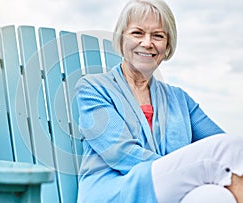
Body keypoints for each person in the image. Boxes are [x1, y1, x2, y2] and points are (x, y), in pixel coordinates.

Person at [75, 0, 243, 202]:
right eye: (137, 33)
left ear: (167, 46)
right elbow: (121, 154)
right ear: (121, 40)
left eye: (158, 36)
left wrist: (181, 174)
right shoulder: (93, 89)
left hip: (170, 191)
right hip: (117, 191)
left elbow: (223, 147)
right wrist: (183, 171)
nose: (147, 43)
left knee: (215, 196)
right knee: (229, 147)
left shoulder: (180, 99)